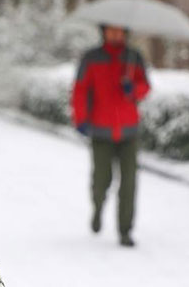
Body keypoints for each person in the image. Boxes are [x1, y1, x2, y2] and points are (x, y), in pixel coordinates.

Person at [71, 25, 150, 247]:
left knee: (129, 183)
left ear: (126, 33)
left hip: (129, 132)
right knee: (101, 181)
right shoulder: (91, 58)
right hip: (101, 130)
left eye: (120, 31)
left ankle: (125, 230)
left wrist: (132, 89)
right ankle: (98, 207)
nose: (116, 35)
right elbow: (79, 88)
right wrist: (80, 119)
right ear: (103, 32)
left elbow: (145, 87)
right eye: (111, 31)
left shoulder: (134, 57)